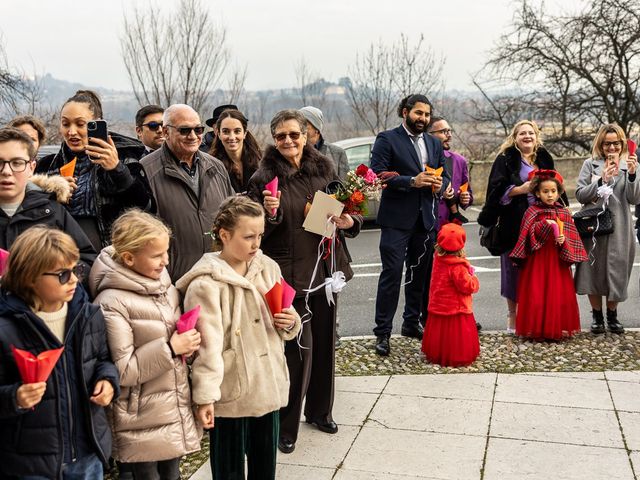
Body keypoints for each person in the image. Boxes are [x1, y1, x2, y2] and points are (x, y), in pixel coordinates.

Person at [247, 109, 361, 454]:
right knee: (298, 349)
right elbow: (254, 231)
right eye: (280, 136)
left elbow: (344, 211)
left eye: (293, 134)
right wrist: (270, 211)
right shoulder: (262, 178)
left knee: (325, 344)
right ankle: (286, 424)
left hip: (326, 269)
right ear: (273, 139)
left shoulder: (324, 169)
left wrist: (348, 222)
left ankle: (320, 411)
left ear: (306, 135)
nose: (288, 141)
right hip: (289, 274)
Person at [176, 196, 300, 480]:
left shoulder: (266, 267)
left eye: (259, 235)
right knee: (228, 468)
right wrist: (205, 397)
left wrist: (290, 322)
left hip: (267, 386)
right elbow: (206, 348)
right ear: (224, 235)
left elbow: (287, 311)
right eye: (248, 237)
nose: (256, 244)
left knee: (264, 465)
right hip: (231, 390)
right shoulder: (206, 284)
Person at [89, 210, 201, 479]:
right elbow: (124, 370)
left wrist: (190, 342)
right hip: (138, 417)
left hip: (171, 407)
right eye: (156, 256)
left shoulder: (163, 283)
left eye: (166, 253)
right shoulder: (111, 302)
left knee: (171, 474)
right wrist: (171, 348)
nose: (165, 261)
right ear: (129, 258)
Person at [0, 226, 119, 479]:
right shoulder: (6, 329)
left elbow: (103, 360)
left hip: (87, 452)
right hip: (29, 462)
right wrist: (15, 398)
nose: (75, 279)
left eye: (76, 270)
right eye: (63, 275)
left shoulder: (89, 315)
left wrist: (108, 381)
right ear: (30, 277)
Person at [370, 94, 449, 356]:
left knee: (419, 275)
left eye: (426, 115)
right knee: (391, 275)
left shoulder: (434, 143)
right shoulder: (387, 138)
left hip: (426, 220)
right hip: (396, 220)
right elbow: (377, 174)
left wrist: (441, 186)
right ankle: (382, 333)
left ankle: (411, 322)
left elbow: (445, 176)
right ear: (405, 112)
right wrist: (410, 181)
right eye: (418, 113)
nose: (423, 119)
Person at [35, 89, 156, 251]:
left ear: (96, 125)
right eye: (65, 124)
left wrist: (117, 169)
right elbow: (29, 213)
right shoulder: (47, 166)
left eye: (80, 124)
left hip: (113, 257)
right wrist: (50, 190)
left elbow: (147, 209)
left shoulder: (127, 159)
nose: (71, 132)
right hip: (59, 255)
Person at [477, 120, 557, 334]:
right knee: (513, 272)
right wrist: (520, 189)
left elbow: (555, 187)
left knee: (538, 272)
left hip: (542, 222)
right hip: (514, 224)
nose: (527, 136)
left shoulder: (544, 157)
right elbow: (495, 191)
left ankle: (535, 316)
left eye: (531, 133)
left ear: (536, 135)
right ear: (515, 138)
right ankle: (512, 316)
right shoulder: (506, 160)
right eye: (522, 133)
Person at [141, 104, 235, 281]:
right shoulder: (146, 171)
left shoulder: (216, 167)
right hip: (174, 282)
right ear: (166, 132)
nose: (193, 136)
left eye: (198, 129)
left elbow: (232, 216)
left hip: (218, 279)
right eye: (184, 130)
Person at [574, 123, 640, 334]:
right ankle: (596, 316)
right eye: (607, 144)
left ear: (622, 144)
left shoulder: (629, 165)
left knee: (618, 269)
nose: (612, 148)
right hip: (593, 226)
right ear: (600, 145)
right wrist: (602, 179)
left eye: (616, 143)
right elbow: (580, 195)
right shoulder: (590, 164)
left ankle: (612, 315)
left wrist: (631, 175)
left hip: (620, 226)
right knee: (592, 270)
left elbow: (635, 197)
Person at [0, 127, 95, 269]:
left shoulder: (52, 211)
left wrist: (56, 277)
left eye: (17, 163)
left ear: (31, 167)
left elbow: (86, 259)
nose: (6, 171)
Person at [510, 170, 587, 339]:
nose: (550, 195)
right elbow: (527, 234)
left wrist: (562, 239)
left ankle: (556, 327)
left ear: (559, 192)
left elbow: (570, 234)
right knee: (537, 292)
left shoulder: (563, 211)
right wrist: (544, 225)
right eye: (545, 192)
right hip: (537, 259)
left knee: (556, 293)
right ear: (537, 193)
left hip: (556, 259)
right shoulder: (532, 211)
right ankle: (537, 328)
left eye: (553, 191)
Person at [421, 223, 480, 367]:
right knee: (456, 337)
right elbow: (467, 287)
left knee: (441, 335)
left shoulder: (438, 259)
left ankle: (438, 354)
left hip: (438, 304)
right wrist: (474, 279)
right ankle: (456, 356)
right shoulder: (458, 267)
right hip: (457, 307)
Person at [428, 116, 473, 225]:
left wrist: (465, 198)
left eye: (449, 131)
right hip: (422, 226)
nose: (449, 135)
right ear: (428, 135)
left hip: (449, 227)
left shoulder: (459, 161)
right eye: (444, 131)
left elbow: (468, 194)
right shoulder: (419, 159)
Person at [209, 109, 261, 193]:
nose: (232, 137)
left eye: (237, 131)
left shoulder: (261, 161)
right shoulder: (211, 166)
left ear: (244, 133)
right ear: (218, 134)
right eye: (226, 131)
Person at [299, 106, 349, 180]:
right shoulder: (294, 152)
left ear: (316, 128)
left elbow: (344, 185)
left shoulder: (337, 153)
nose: (300, 128)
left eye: (305, 124)